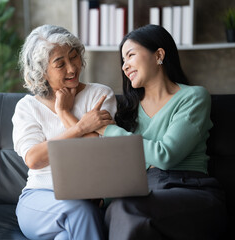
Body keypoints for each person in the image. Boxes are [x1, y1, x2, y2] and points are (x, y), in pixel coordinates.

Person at [74, 24, 227, 239]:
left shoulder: (193, 97)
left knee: (124, 209)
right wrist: (103, 198)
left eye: (130, 55)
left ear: (159, 55)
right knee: (117, 209)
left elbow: (166, 155)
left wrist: (109, 130)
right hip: (144, 195)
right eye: (123, 61)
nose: (125, 66)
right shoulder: (129, 111)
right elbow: (129, 169)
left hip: (189, 190)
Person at [12, 24, 117, 240]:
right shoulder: (27, 107)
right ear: (42, 72)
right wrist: (80, 127)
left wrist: (63, 112)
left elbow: (97, 153)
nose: (72, 68)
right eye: (60, 64)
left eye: (74, 56)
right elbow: (34, 159)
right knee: (81, 212)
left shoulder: (100, 95)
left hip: (83, 200)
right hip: (39, 200)